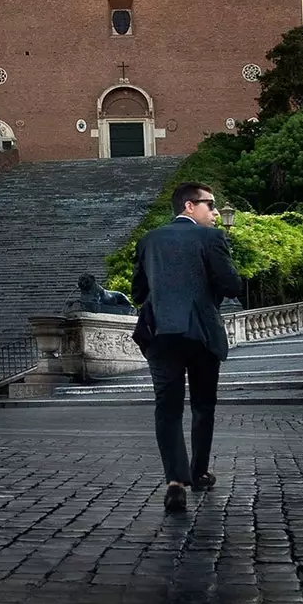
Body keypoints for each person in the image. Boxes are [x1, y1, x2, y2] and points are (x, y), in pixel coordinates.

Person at [132, 181, 243, 512]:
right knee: (202, 406)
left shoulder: (148, 240)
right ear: (189, 206)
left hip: (161, 335)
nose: (215, 211)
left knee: (166, 408)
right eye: (210, 204)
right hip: (201, 333)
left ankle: (175, 482)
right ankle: (199, 472)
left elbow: (139, 293)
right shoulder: (211, 238)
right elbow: (233, 284)